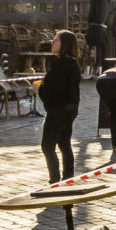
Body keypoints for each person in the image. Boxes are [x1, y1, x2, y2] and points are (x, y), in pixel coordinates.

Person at [38, 29, 83, 183]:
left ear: (64, 44)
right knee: (64, 144)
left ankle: (55, 180)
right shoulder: (72, 64)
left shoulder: (62, 65)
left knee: (47, 146)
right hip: (70, 109)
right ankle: (68, 178)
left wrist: (39, 89)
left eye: (56, 40)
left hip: (59, 110)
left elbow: (54, 90)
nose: (52, 42)